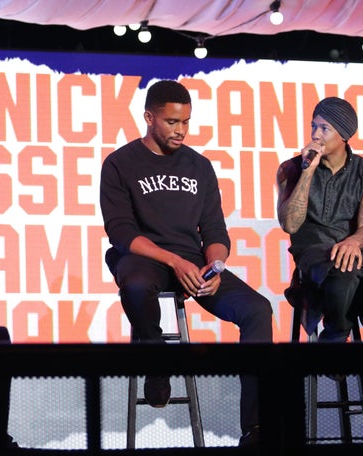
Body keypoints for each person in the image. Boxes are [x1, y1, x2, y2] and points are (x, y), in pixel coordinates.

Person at [99, 79, 273, 446]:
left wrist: (215, 267)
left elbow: (215, 230)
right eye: (172, 122)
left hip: (193, 263)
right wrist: (174, 261)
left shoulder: (200, 166)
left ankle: (257, 429)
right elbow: (121, 233)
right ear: (149, 117)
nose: (181, 130)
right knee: (134, 284)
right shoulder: (120, 163)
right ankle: (155, 358)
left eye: (186, 122)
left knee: (258, 309)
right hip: (144, 257)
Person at [276, 96, 363, 440]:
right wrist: (308, 171)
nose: (316, 133)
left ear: (344, 134)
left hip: (359, 258)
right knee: (342, 271)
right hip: (313, 257)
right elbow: (290, 224)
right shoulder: (291, 168)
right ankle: (336, 333)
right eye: (313, 125)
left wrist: (354, 241)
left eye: (324, 127)